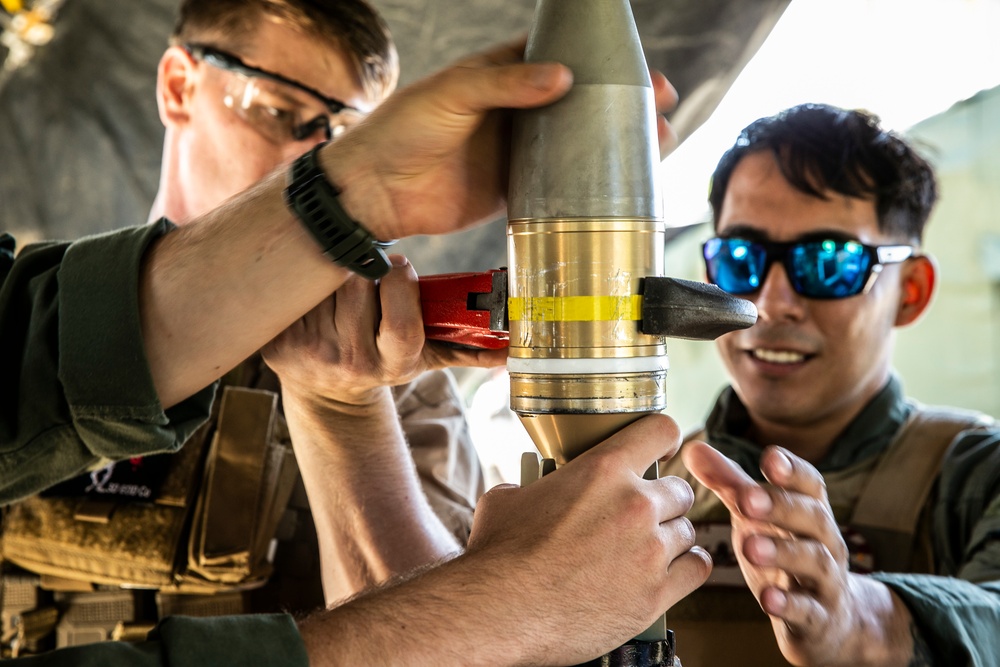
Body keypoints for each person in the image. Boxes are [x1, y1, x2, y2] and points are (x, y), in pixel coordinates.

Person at [1, 26, 711, 667]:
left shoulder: (397, 364)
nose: (310, 153)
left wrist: (345, 410)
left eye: (343, 134)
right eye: (280, 111)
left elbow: (469, 623)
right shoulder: (44, 311)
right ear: (179, 85)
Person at [661, 103, 1000, 666]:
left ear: (909, 291)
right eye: (740, 259)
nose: (769, 305)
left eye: (828, 261)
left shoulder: (977, 478)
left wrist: (860, 621)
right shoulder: (650, 485)